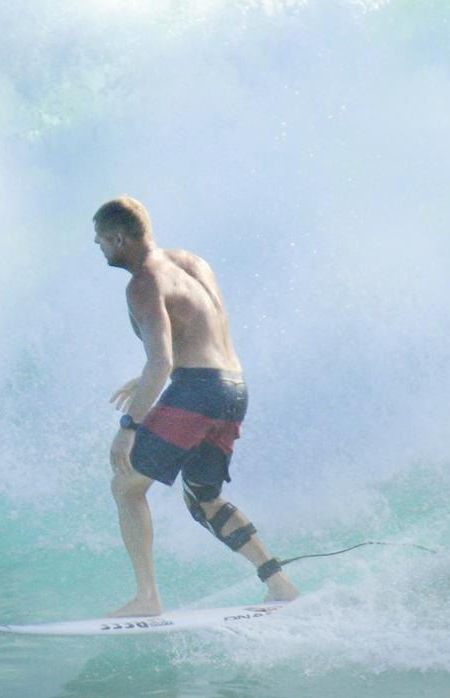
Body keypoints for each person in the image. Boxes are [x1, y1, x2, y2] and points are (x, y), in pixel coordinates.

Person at [93, 196, 299, 617]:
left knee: (125, 486)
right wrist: (155, 375)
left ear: (118, 239)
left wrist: (128, 425)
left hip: (198, 391)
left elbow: (163, 359)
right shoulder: (191, 263)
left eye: (99, 240)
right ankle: (280, 585)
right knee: (204, 498)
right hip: (233, 388)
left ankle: (147, 598)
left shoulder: (143, 283)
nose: (97, 247)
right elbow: (201, 333)